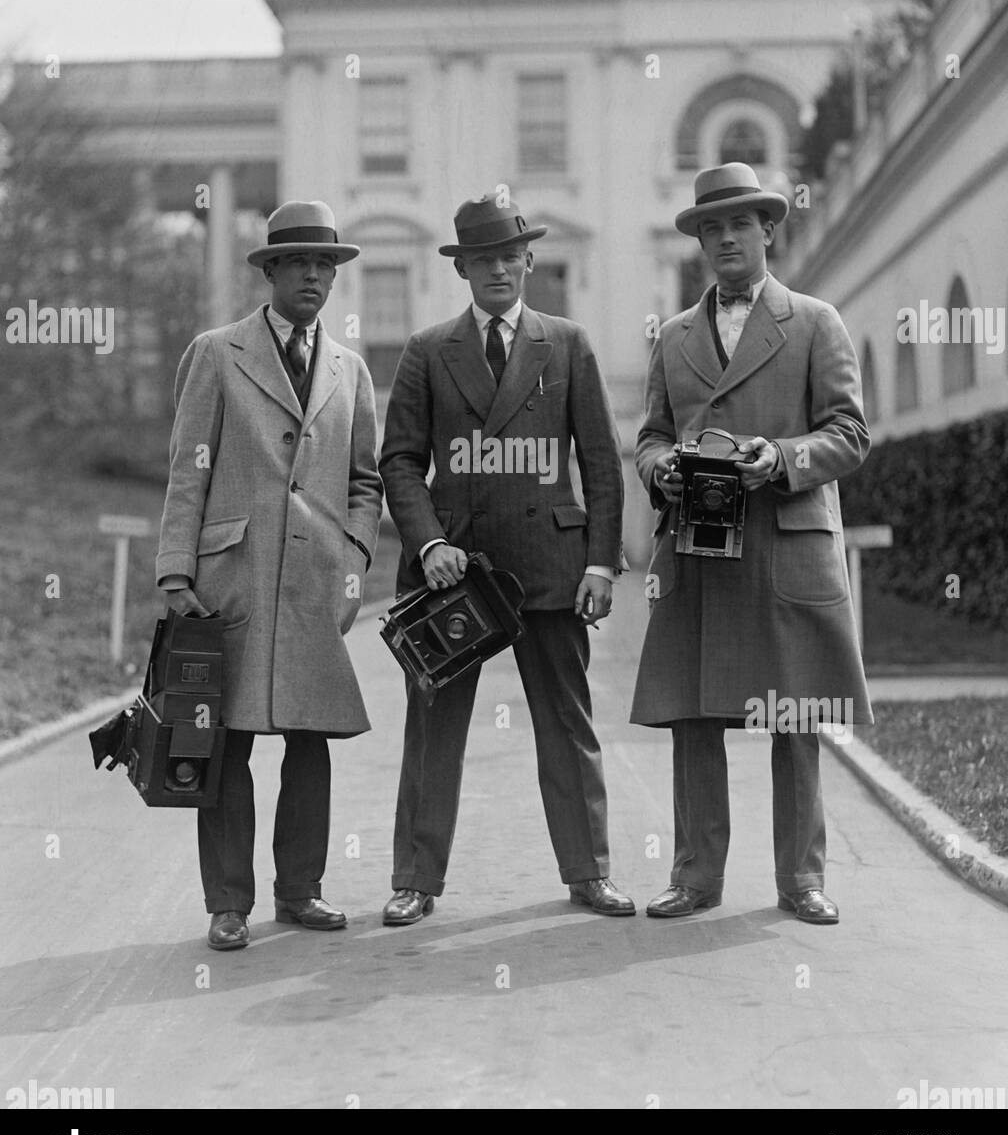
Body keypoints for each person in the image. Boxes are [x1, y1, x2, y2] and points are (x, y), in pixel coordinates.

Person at [378, 193, 635, 924]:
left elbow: (602, 463)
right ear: (462, 269)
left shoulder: (569, 343)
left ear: (528, 260)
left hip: (549, 565)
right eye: (480, 259)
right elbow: (399, 461)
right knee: (433, 729)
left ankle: (589, 872)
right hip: (454, 574)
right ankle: (415, 880)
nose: (497, 269)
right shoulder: (429, 352)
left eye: (507, 255)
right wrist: (429, 543)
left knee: (567, 720)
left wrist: (601, 563)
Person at [631, 163, 873, 925]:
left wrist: (783, 457)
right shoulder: (671, 338)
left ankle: (801, 880)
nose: (726, 237)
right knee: (694, 715)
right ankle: (696, 876)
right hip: (700, 553)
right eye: (712, 226)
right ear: (699, 240)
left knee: (796, 714)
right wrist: (660, 468)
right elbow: (650, 436)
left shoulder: (815, 321)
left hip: (784, 546)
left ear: (769, 230)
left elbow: (851, 434)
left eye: (741, 223)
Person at [156, 200, 383, 950]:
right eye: (300, 263)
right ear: (272, 271)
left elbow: (364, 480)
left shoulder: (351, 369)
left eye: (327, 265)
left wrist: (353, 560)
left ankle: (302, 891)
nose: (315, 275)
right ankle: (228, 902)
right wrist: (173, 572)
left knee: (310, 737)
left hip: (316, 583)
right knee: (224, 741)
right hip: (233, 577)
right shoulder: (217, 352)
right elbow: (189, 469)